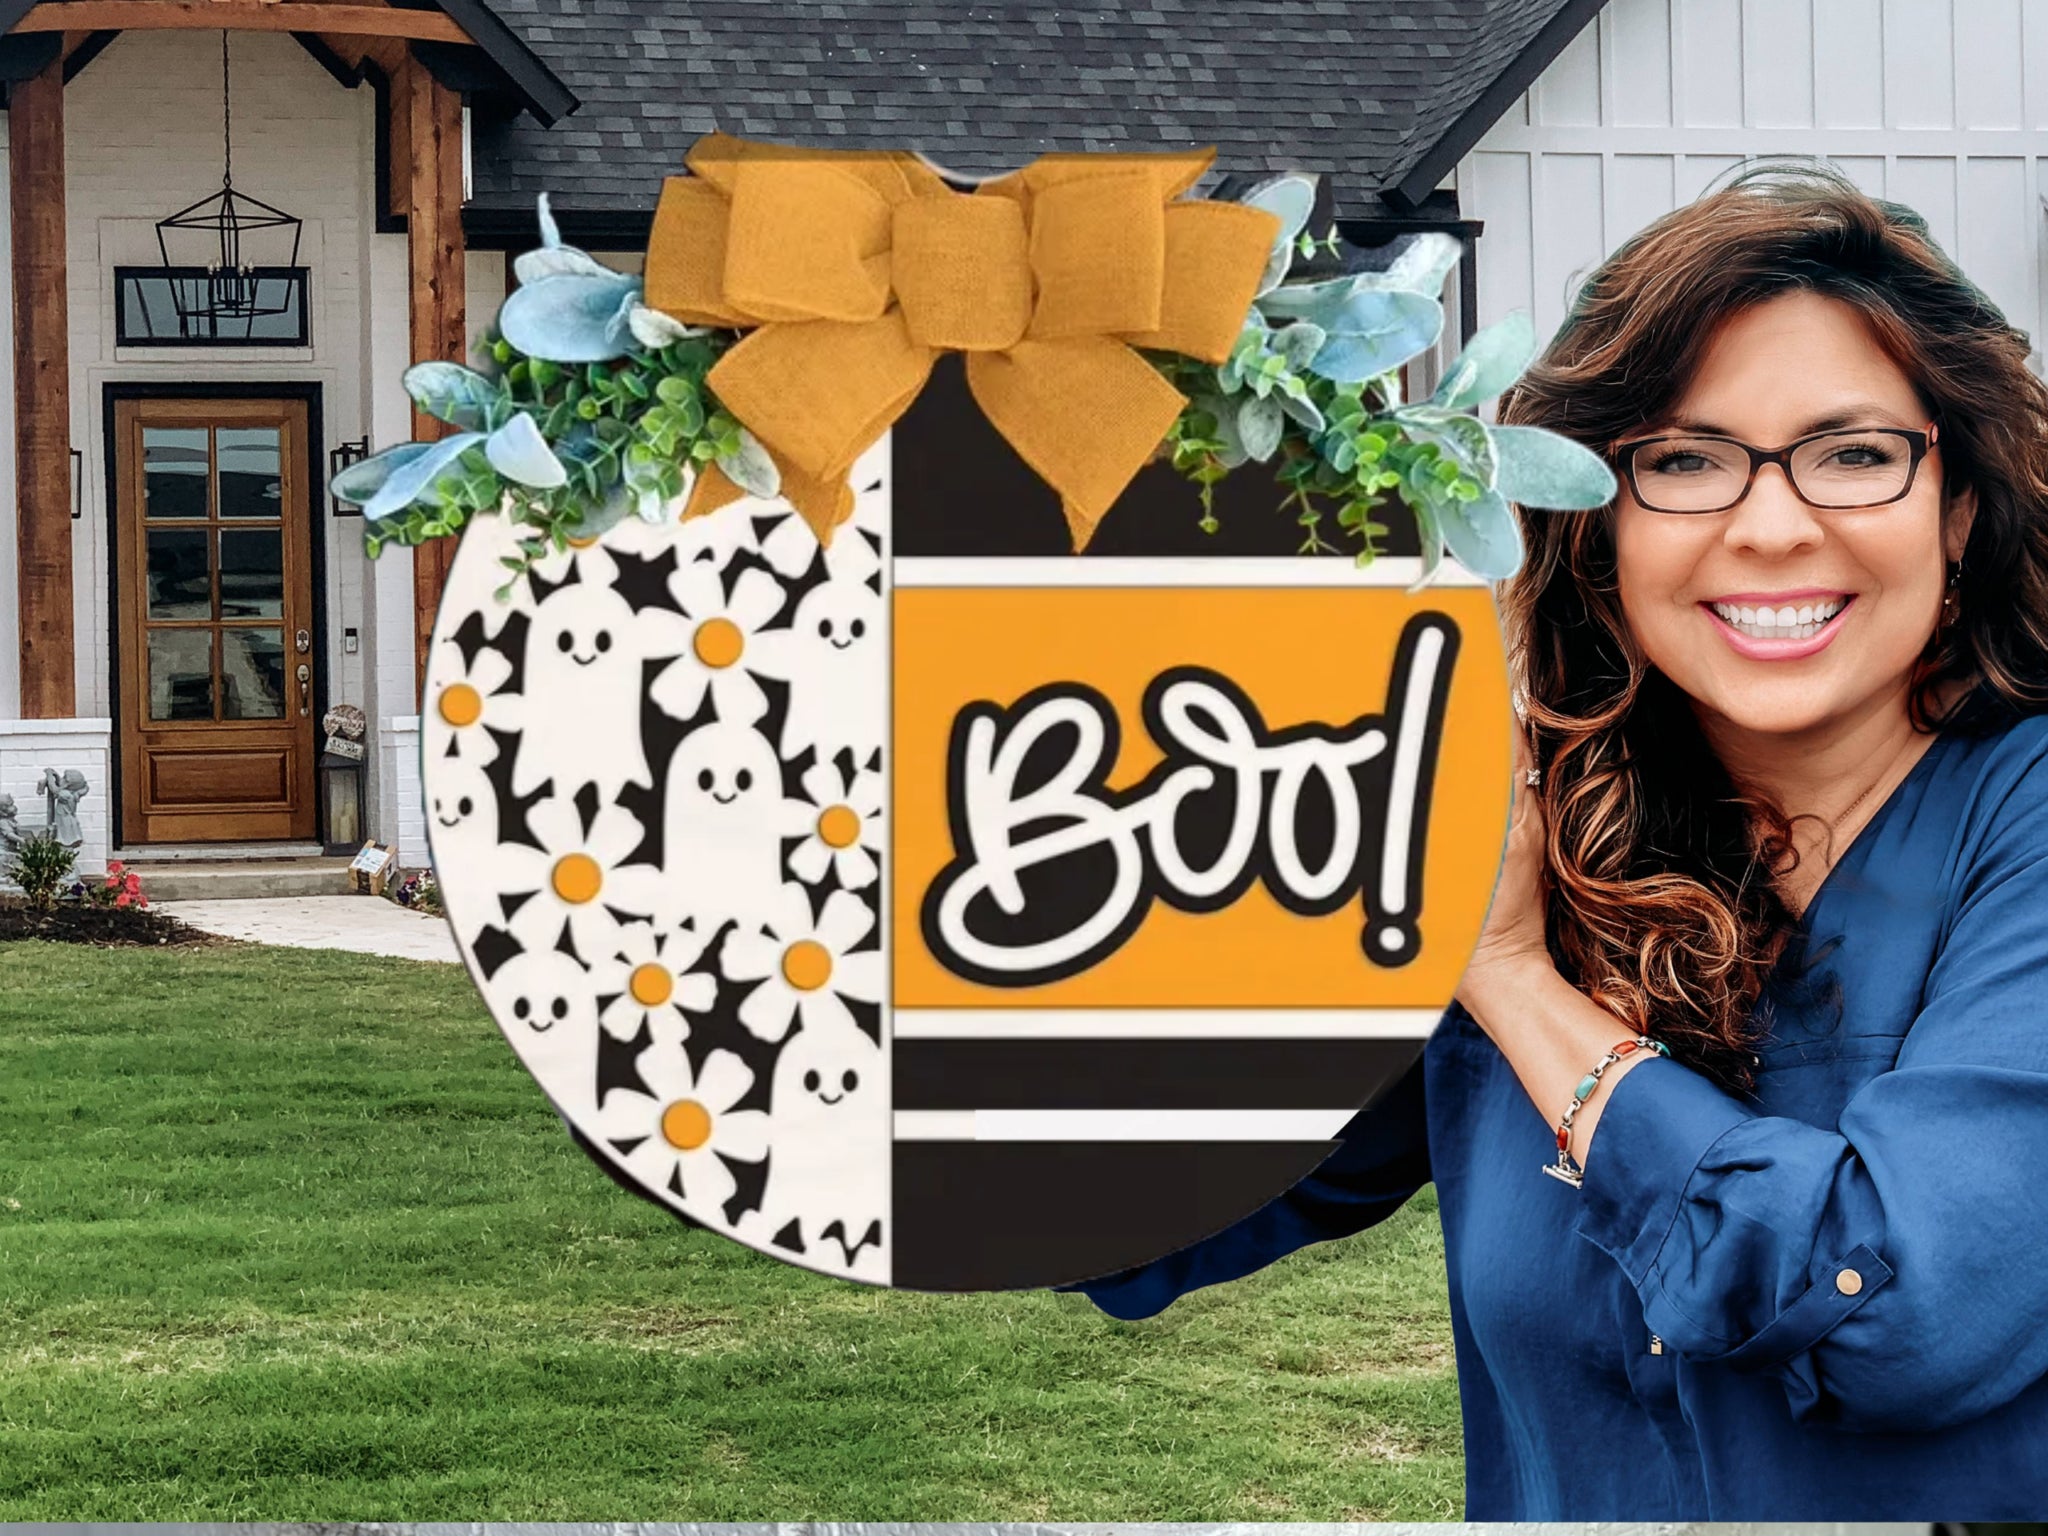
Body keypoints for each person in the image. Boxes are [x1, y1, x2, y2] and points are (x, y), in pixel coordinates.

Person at [1071, 161, 2048, 1519]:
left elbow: (1902, 1315)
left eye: (1853, 454)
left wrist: (1517, 983)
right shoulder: (1534, 822)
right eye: (1686, 461)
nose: (1771, 526)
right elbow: (1136, 1202)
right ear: (1602, 526)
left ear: (1959, 509)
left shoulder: (2022, 828)